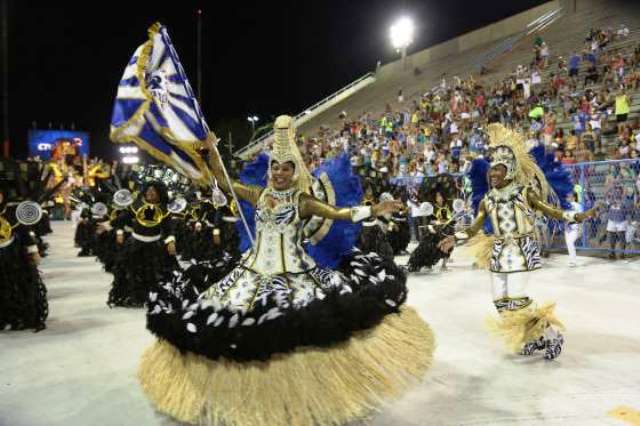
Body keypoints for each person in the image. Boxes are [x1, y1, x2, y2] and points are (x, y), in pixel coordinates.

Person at [138, 116, 434, 426]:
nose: (279, 173)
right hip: (251, 271)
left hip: (296, 273)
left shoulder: (302, 200)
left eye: (285, 168)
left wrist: (375, 209)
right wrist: (212, 151)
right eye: (275, 167)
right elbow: (223, 182)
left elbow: (339, 213)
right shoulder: (259, 195)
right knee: (235, 324)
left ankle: (306, 395)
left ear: (294, 172)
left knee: (302, 329)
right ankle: (245, 397)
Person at [439, 124, 597, 360]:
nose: (492, 175)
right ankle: (533, 338)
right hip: (499, 251)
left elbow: (551, 211)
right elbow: (474, 228)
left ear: (510, 170)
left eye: (498, 171)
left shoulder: (524, 193)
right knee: (501, 302)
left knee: (517, 299)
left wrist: (575, 216)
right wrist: (455, 238)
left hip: (521, 250)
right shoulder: (488, 200)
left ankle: (552, 335)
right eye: (491, 172)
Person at [106, 180, 178, 307]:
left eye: (153, 191)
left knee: (155, 273)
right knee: (132, 272)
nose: (150, 193)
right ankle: (134, 297)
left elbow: (168, 228)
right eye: (148, 190)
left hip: (155, 245)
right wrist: (110, 226)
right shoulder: (136, 205)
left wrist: (171, 240)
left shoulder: (164, 210)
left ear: (160, 194)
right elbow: (123, 218)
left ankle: (153, 297)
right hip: (135, 244)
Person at [0, 184, 48, 332]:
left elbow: (25, 234)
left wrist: (34, 252)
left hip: (14, 257)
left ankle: (21, 316)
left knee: (19, 285)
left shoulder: (13, 213)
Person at [564, 192, 583, 267]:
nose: (567, 198)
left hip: (575, 226)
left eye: (569, 197)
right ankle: (572, 260)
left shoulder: (578, 206)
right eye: (567, 197)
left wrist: (580, 228)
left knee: (570, 242)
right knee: (568, 244)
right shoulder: (566, 206)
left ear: (574, 197)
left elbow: (580, 217)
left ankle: (573, 261)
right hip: (567, 227)